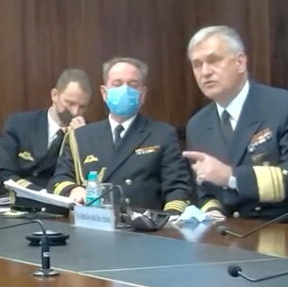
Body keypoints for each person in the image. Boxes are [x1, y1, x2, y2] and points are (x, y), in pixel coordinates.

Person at [182, 26, 288, 227]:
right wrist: (213, 212)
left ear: (240, 62)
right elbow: (206, 190)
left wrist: (231, 176)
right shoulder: (198, 125)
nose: (205, 72)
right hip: (236, 231)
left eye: (214, 60)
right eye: (197, 65)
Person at [49, 57, 190, 213]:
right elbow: (59, 180)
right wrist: (73, 189)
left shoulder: (162, 135)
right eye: (117, 84)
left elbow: (177, 190)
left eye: (133, 85)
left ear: (142, 94)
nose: (125, 90)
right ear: (104, 93)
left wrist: (167, 220)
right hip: (94, 222)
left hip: (142, 225)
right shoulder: (80, 137)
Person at [0, 68, 92, 193]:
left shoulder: (90, 133)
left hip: (64, 200)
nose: (75, 112)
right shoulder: (20, 124)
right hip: (24, 198)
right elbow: (1, 175)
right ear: (54, 95)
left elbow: (91, 180)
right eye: (70, 103)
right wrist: (36, 192)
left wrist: (81, 140)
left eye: (82, 107)